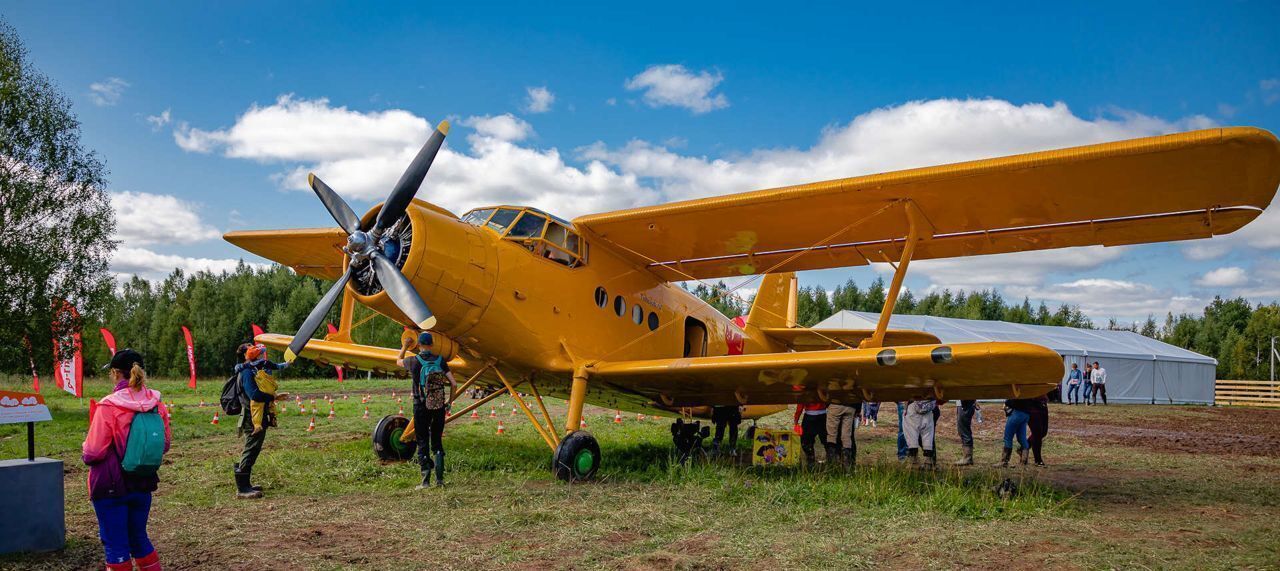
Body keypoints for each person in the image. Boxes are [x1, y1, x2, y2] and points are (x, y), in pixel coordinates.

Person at [82, 349, 170, 571]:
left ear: (115, 373)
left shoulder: (108, 406)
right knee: (139, 539)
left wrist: (84, 448)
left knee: (116, 544)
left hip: (111, 485)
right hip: (142, 482)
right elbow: (165, 444)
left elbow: (93, 453)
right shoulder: (156, 403)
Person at [397, 332, 457, 488]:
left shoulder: (414, 361)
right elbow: (454, 383)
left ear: (419, 345)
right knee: (437, 440)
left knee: (422, 441)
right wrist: (449, 402)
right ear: (431, 345)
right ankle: (440, 480)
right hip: (438, 406)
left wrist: (405, 345)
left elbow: (397, 361)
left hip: (421, 406)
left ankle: (425, 482)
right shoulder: (440, 360)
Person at [235, 342, 289, 499]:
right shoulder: (246, 372)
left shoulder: (250, 370)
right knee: (251, 449)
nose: (257, 352)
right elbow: (255, 395)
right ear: (246, 355)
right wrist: (273, 397)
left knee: (253, 449)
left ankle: (246, 484)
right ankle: (242, 488)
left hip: (254, 415)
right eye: (252, 349)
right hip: (251, 417)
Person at [996, 398, 1035, 467]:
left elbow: (1013, 399)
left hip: (1017, 412)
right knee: (1021, 438)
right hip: (1026, 414)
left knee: (1008, 437)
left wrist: (1007, 402)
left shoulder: (1019, 388)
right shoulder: (1029, 389)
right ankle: (1024, 461)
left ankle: (1004, 461)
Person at [901, 399, 937, 468]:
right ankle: (928, 461)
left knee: (911, 433)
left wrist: (905, 408)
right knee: (928, 434)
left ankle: (913, 461)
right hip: (928, 406)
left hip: (912, 404)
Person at [1026, 395, 1050, 467]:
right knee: (1037, 433)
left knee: (1043, 432)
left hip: (1042, 403)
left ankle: (1023, 448)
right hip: (1032, 405)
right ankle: (1038, 460)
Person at [952, 400, 978, 466]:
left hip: (965, 404)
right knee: (963, 429)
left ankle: (968, 457)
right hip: (964, 404)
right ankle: (967, 457)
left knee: (964, 430)